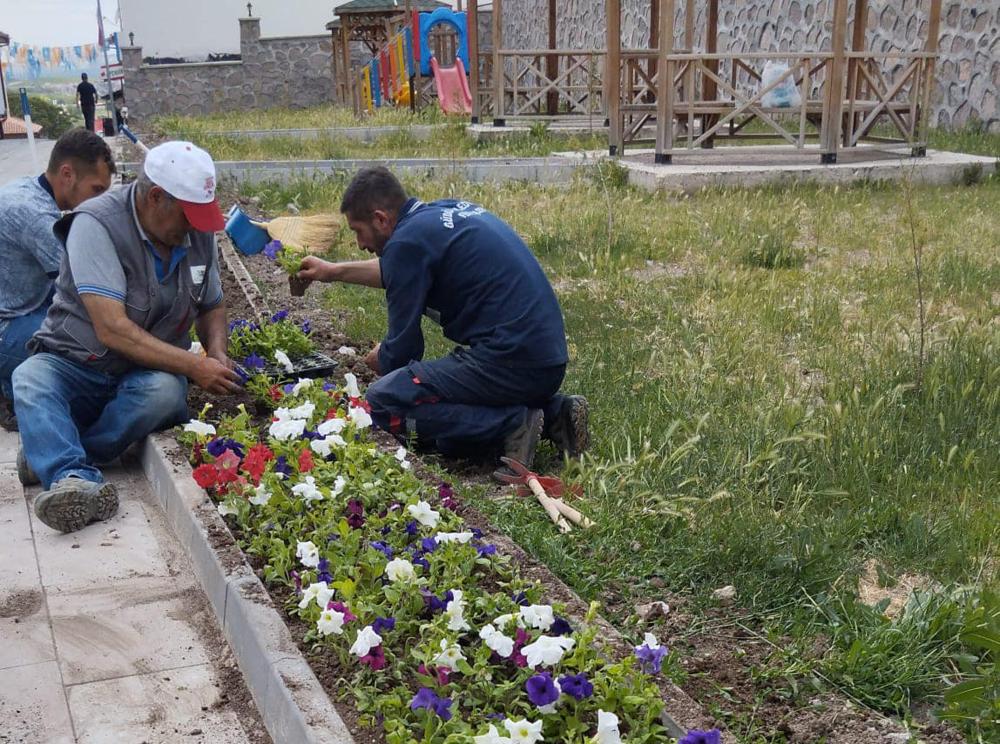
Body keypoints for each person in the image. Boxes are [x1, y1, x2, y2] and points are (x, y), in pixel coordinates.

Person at [296, 167, 589, 479]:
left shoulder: (406, 246)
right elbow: (398, 268)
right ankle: (555, 414)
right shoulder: (434, 217)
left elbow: (403, 353)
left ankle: (513, 425)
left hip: (510, 362)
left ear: (380, 219)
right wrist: (333, 271)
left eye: (358, 231)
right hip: (545, 362)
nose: (359, 243)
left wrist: (383, 358)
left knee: (382, 403)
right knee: (447, 433)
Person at [12, 141, 242, 533]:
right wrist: (193, 365)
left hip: (144, 374)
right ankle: (71, 477)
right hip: (78, 364)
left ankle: (54, 451)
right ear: (156, 197)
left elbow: (212, 304)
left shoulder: (195, 231)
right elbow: (112, 328)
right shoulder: (95, 224)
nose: (194, 227)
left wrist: (216, 351)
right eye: (188, 216)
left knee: (164, 393)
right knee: (30, 379)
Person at [0, 128, 116, 431]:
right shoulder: (35, 215)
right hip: (7, 325)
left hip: (23, 307)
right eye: (96, 190)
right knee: (83, 353)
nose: (100, 201)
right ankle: (14, 396)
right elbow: (84, 286)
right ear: (67, 174)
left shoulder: (30, 191)